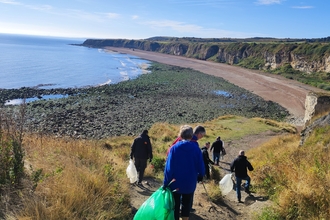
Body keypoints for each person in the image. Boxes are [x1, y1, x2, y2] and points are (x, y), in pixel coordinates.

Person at [163, 125, 205, 220]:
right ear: (191, 135)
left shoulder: (174, 148)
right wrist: (201, 175)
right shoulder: (196, 149)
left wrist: (165, 183)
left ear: (181, 135)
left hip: (175, 183)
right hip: (189, 183)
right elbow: (200, 165)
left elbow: (168, 168)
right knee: (186, 204)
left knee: (175, 206)